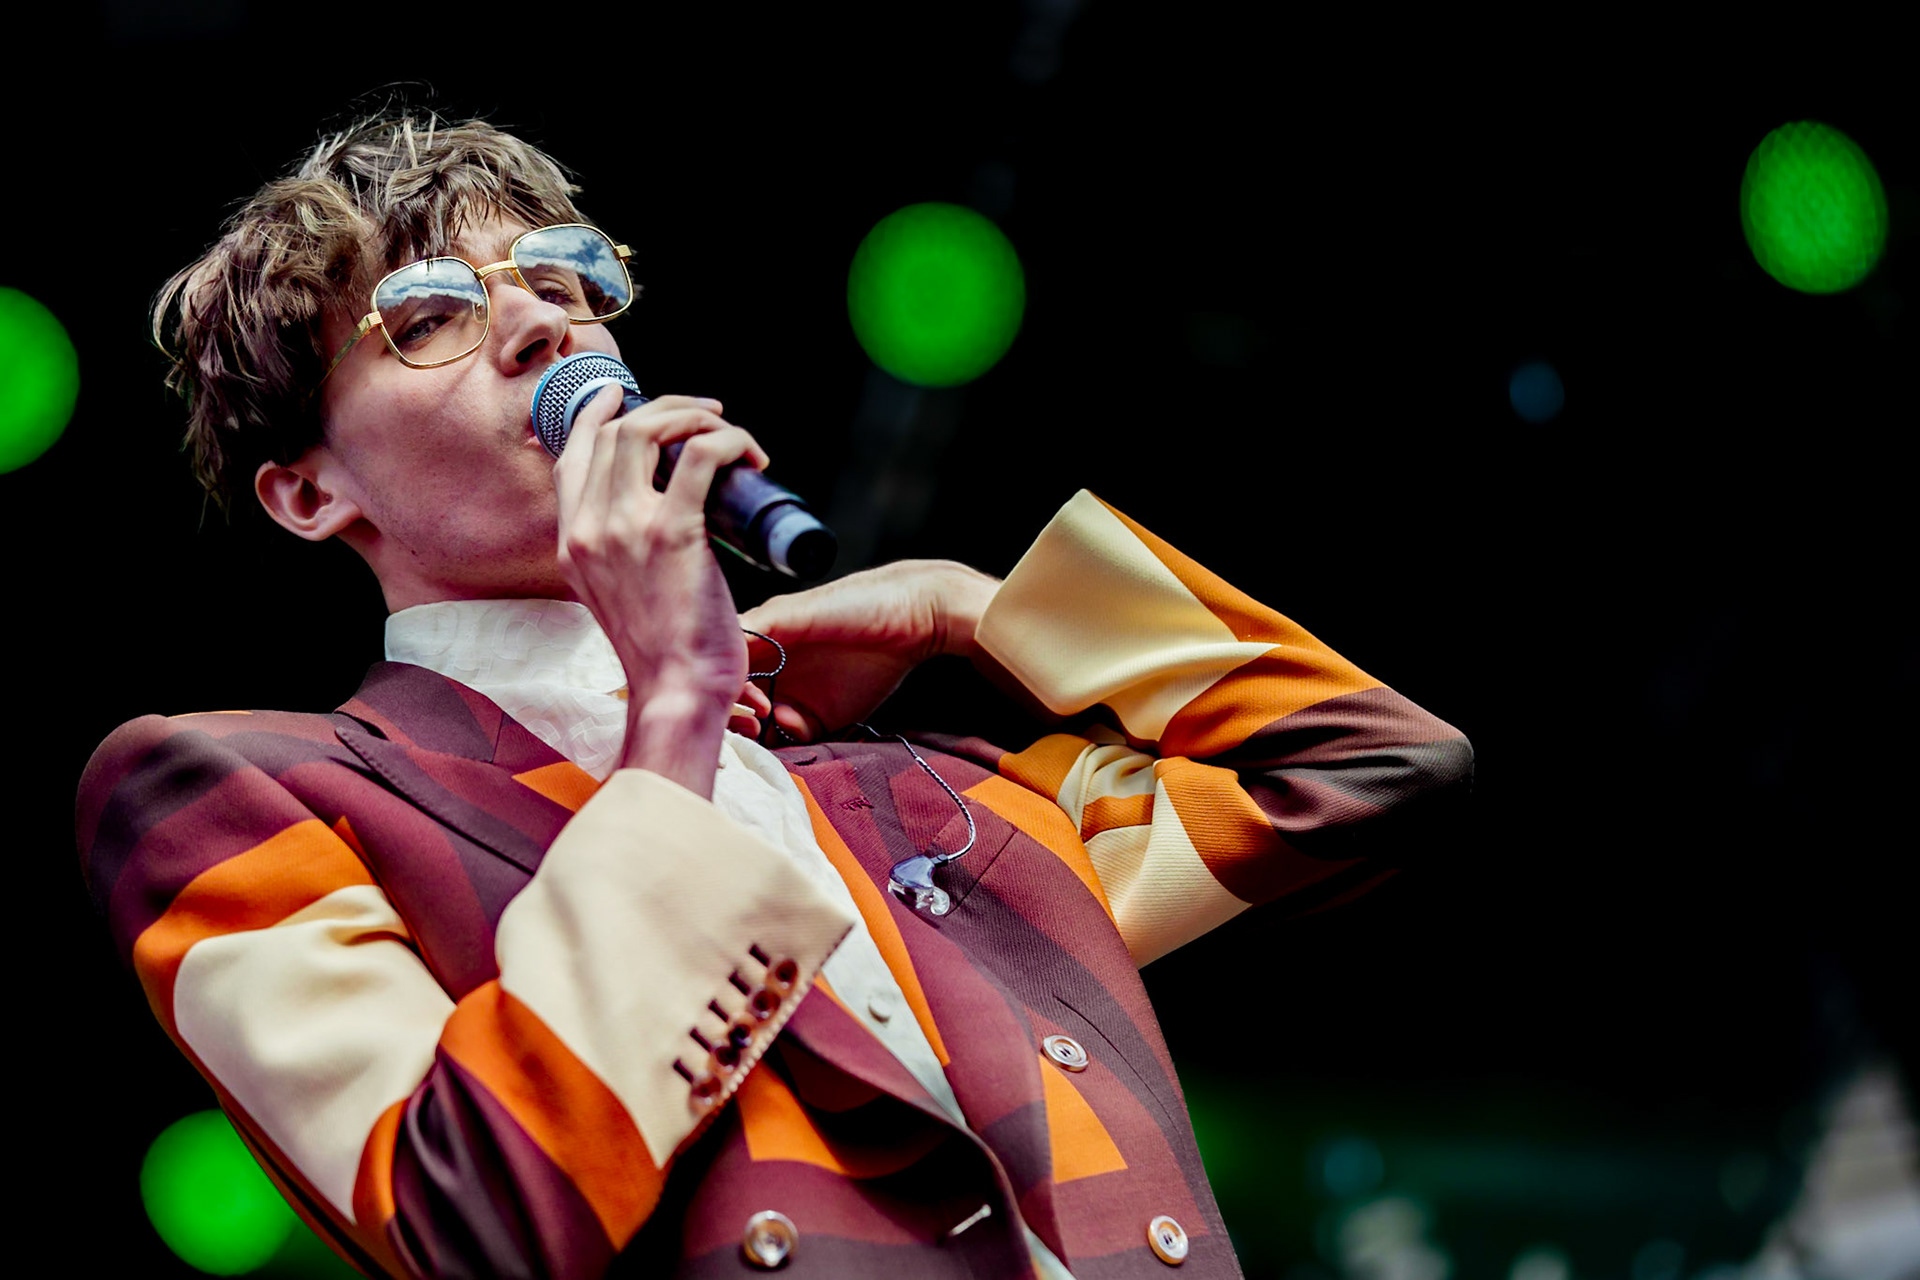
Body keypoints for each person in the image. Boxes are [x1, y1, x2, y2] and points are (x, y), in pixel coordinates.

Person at [76, 111, 1472, 1279]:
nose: (537, 326)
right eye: (430, 315)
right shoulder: (251, 793)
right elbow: (475, 1219)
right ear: (310, 491)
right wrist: (673, 703)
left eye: (564, 280)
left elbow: (1366, 765)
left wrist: (976, 609)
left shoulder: (923, 802)